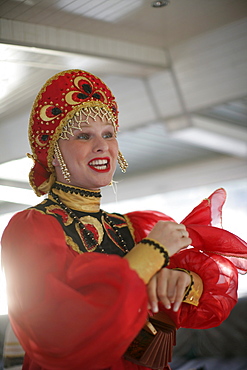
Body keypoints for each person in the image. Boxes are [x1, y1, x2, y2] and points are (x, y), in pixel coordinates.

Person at [1, 69, 247, 370]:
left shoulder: (130, 227)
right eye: (83, 135)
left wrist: (179, 281)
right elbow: (54, 332)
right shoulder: (31, 227)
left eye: (108, 134)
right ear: (51, 152)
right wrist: (153, 253)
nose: (103, 145)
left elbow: (207, 303)